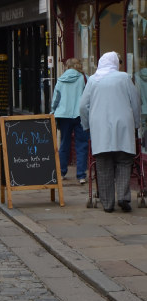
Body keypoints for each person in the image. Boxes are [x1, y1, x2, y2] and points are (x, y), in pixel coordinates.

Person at [79, 51, 141, 213]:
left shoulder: (93, 80)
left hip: (100, 129)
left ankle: (107, 204)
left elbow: (83, 106)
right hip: (123, 127)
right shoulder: (124, 78)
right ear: (115, 63)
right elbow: (135, 102)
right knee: (124, 162)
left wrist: (86, 125)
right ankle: (122, 196)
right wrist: (136, 124)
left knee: (104, 165)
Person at [50, 57, 88, 184]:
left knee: (64, 143)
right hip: (80, 115)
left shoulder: (61, 80)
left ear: (67, 66)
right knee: (81, 145)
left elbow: (56, 98)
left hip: (64, 115)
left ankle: (61, 172)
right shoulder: (84, 78)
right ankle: (81, 175)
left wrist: (52, 111)